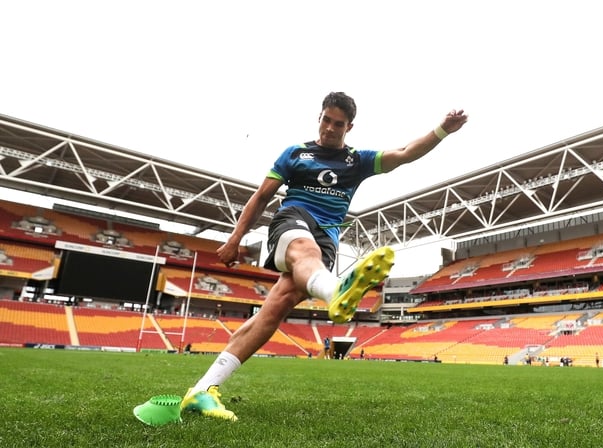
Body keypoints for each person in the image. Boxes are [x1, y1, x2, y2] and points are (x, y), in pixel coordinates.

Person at [176, 92, 468, 423]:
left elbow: (404, 153)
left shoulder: (357, 161)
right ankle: (335, 290)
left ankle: (202, 390)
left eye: (338, 124)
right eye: (326, 120)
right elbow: (261, 197)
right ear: (319, 117)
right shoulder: (294, 154)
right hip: (293, 219)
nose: (330, 128)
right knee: (307, 251)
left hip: (327, 237)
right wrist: (235, 239)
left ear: (349, 127)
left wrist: (442, 131)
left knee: (272, 312)